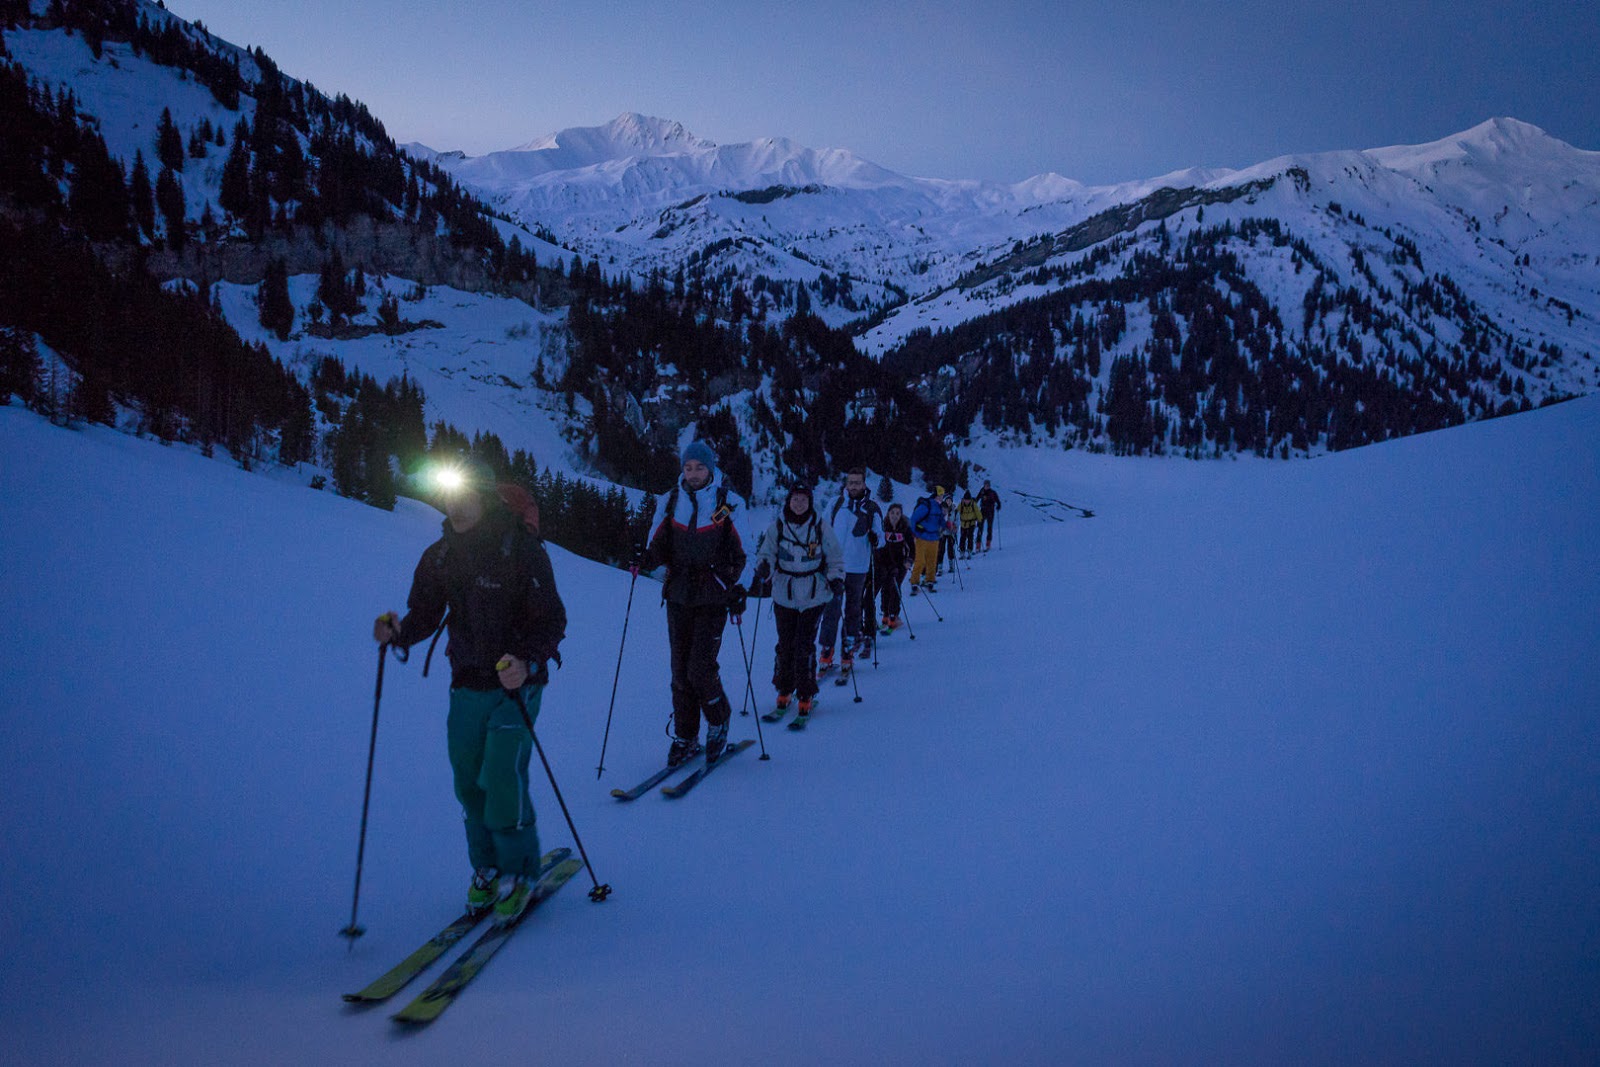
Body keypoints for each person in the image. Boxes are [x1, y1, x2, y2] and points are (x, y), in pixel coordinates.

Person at [373, 459, 566, 924]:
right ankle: (486, 868)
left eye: (465, 495)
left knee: (501, 776)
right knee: (468, 780)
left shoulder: (520, 549)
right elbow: (423, 614)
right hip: (466, 682)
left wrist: (527, 660)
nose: (456, 504)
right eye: (449, 495)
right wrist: (396, 632)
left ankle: (520, 871)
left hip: (517, 685)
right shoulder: (440, 556)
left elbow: (552, 620)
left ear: (483, 497)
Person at [633, 442, 749, 768]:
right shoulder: (671, 501)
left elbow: (746, 553)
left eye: (699, 467)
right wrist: (644, 557)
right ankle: (686, 736)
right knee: (679, 672)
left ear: (710, 469)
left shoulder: (729, 503)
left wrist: (739, 587)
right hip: (679, 594)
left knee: (700, 668)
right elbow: (657, 546)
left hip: (714, 594)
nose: (694, 473)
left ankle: (718, 719)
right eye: (688, 468)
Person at [750, 484, 844, 724]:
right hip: (784, 593)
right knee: (785, 644)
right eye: (795, 499)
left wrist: (835, 579)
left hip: (814, 594)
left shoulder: (821, 527)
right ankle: (784, 688)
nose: (799, 503)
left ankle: (805, 692)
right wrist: (764, 567)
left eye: (803, 499)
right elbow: (767, 553)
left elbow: (834, 558)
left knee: (804, 645)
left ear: (810, 502)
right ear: (789, 501)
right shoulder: (778, 527)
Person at [817, 466, 883, 673]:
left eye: (857, 482)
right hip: (835, 566)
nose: (853, 486)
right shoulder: (835, 504)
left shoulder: (872, 508)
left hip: (858, 567)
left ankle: (848, 650)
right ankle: (827, 651)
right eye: (850, 482)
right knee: (831, 608)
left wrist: (875, 538)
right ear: (846, 483)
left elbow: (880, 539)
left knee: (853, 609)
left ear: (864, 484)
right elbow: (822, 529)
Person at [875, 501, 913, 630]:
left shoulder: (905, 528)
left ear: (901, 515)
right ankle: (885, 614)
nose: (895, 515)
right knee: (885, 588)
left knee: (895, 587)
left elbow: (912, 548)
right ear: (888, 514)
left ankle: (893, 615)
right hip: (884, 563)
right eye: (892, 513)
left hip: (900, 563)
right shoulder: (883, 526)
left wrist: (909, 560)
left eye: (897, 513)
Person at [908, 486, 944, 594]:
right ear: (936, 495)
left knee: (932, 561)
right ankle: (914, 582)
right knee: (920, 561)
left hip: (934, 538)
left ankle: (930, 581)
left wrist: (948, 525)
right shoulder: (926, 505)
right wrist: (914, 532)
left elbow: (941, 520)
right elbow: (913, 519)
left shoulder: (938, 507)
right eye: (941, 496)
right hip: (922, 538)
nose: (942, 498)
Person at [977, 480, 1002, 550]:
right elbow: (977, 499)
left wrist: (998, 506)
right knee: (980, 527)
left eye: (988, 485)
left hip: (990, 511)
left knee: (989, 528)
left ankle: (988, 544)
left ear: (989, 486)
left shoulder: (993, 492)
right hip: (982, 511)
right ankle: (978, 545)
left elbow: (998, 501)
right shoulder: (981, 492)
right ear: (984, 485)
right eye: (986, 485)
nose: (987, 486)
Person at [958, 491, 982, 559]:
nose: (967, 501)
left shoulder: (973, 505)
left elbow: (978, 513)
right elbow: (956, 511)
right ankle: (962, 552)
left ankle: (969, 551)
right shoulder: (961, 505)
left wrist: (979, 520)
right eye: (965, 499)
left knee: (970, 537)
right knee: (962, 537)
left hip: (971, 523)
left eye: (968, 500)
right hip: (963, 524)